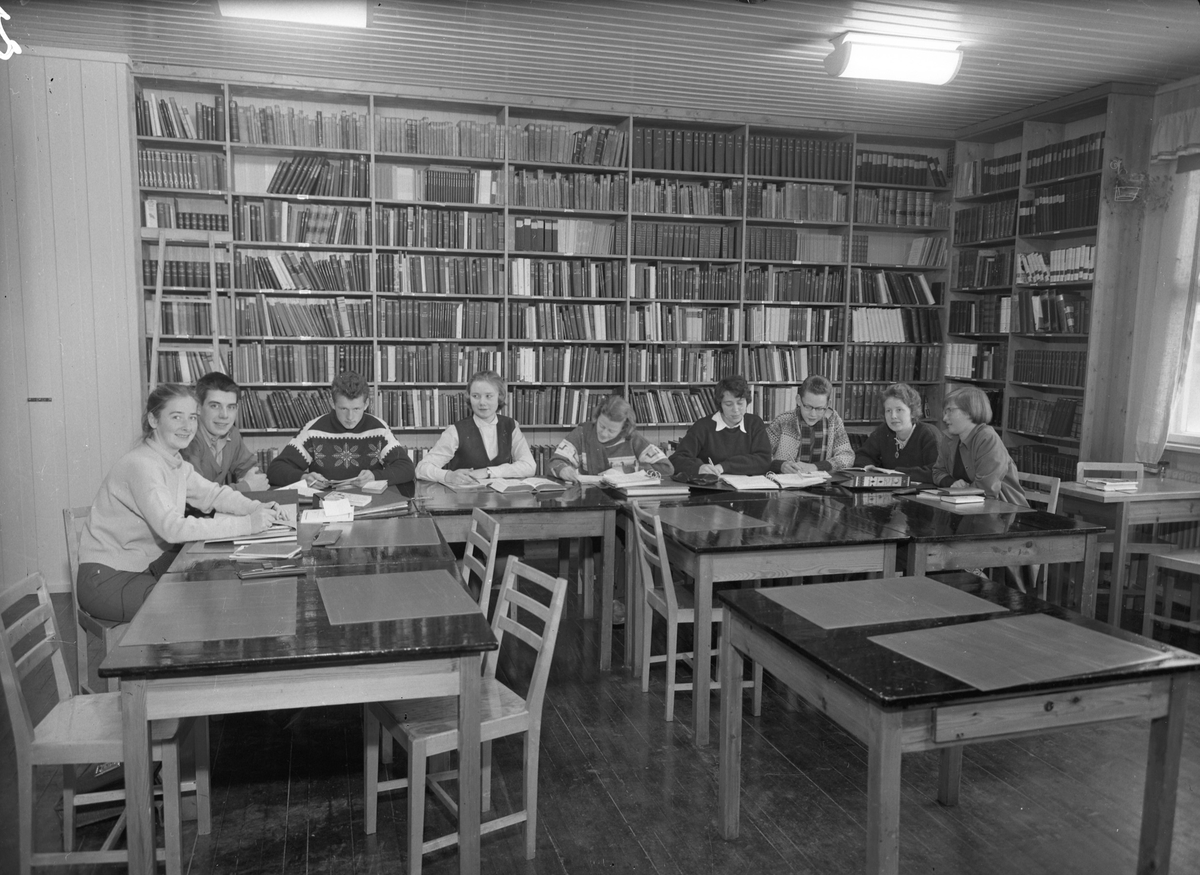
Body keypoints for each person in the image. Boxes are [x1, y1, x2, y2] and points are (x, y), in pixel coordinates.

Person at [76, 383, 282, 623]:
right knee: (199, 609)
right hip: (108, 580)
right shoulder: (142, 465)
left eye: (192, 418)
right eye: (177, 417)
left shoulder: (175, 463)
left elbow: (214, 495)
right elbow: (173, 529)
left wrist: (255, 508)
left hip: (143, 567)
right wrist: (248, 524)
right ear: (153, 420)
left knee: (220, 588)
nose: (187, 427)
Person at [267, 370, 415, 488]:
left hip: (370, 505)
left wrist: (375, 476)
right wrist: (303, 478)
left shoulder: (379, 429)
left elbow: (407, 468)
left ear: (366, 404)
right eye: (343, 408)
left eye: (356, 408)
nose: (350, 417)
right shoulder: (313, 431)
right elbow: (275, 469)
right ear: (332, 403)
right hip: (326, 506)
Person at [416, 370, 536, 486]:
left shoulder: (511, 426)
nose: (482, 402)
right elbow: (421, 469)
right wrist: (448, 476)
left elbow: (530, 466)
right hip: (465, 500)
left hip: (502, 500)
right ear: (469, 397)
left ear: (499, 396)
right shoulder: (455, 431)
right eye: (475, 396)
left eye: (489, 396)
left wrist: (488, 472)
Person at [933, 386, 1029, 506]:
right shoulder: (949, 438)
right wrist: (952, 483)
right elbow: (937, 472)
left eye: (950, 411)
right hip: (965, 507)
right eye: (944, 412)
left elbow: (986, 490)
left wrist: (963, 490)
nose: (944, 418)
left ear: (969, 411)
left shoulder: (987, 439)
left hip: (1004, 511)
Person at [549, 394, 673, 482]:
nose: (604, 433)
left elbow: (666, 468)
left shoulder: (632, 439)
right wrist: (563, 470)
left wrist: (625, 470)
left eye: (611, 431)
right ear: (597, 417)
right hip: (588, 499)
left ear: (623, 428)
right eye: (601, 426)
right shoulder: (582, 433)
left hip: (626, 503)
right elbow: (555, 461)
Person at [669, 375, 772, 479]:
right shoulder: (702, 427)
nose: (736, 410)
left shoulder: (754, 423)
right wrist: (698, 468)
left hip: (747, 490)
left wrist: (724, 466)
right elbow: (676, 460)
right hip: (710, 489)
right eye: (728, 404)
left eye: (740, 403)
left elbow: (764, 461)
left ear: (747, 402)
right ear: (720, 404)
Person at [181, 371, 270, 492]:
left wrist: (250, 480)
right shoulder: (188, 439)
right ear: (198, 408)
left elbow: (253, 472)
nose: (224, 415)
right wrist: (244, 487)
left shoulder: (232, 434)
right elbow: (195, 494)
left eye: (231, 407)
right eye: (215, 406)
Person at [853, 382, 941, 484]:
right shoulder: (883, 431)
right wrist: (870, 468)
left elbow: (936, 472)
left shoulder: (928, 434)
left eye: (899, 410)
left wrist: (897, 473)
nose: (893, 416)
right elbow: (862, 456)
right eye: (888, 411)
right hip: (890, 490)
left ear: (912, 412)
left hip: (922, 494)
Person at [766, 374, 854, 474]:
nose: (813, 414)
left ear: (828, 404)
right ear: (798, 400)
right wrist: (780, 465)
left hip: (822, 486)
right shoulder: (783, 421)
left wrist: (816, 467)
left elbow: (847, 456)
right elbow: (760, 456)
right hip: (787, 484)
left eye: (820, 409)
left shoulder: (833, 420)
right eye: (808, 407)